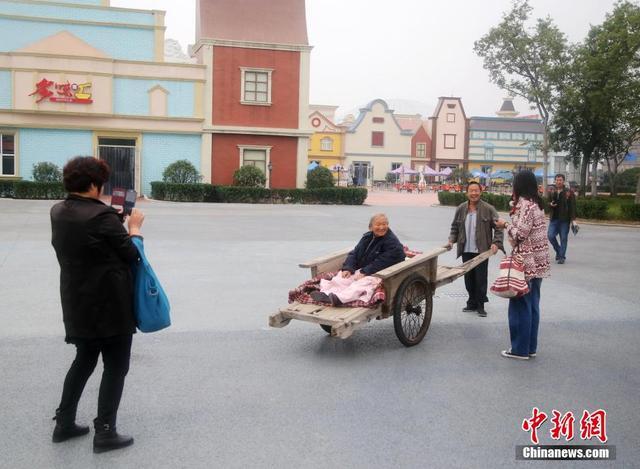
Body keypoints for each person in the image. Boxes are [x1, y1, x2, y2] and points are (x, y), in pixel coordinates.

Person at [50, 156, 144, 453]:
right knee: (116, 366)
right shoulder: (101, 217)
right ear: (93, 184)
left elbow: (89, 236)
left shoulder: (58, 211)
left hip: (77, 302)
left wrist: (112, 219)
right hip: (110, 303)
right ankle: (105, 432)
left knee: (84, 360)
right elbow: (131, 254)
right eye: (100, 183)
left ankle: (64, 423)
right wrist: (135, 227)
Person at [495, 170, 550, 360]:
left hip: (526, 263)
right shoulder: (537, 204)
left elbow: (520, 234)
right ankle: (530, 347)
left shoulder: (526, 206)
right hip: (538, 264)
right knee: (532, 306)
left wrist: (504, 225)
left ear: (520, 186)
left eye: (514, 184)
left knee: (520, 306)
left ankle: (519, 349)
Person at [311, 213, 405, 305]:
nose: (381, 227)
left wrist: (365, 272)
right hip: (364, 269)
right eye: (378, 224)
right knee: (341, 278)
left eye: (384, 224)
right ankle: (326, 294)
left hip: (381, 273)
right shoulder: (367, 237)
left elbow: (383, 262)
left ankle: (338, 299)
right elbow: (355, 253)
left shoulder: (392, 242)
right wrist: (348, 268)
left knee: (359, 285)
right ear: (370, 227)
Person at [446, 181, 504, 317]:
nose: (474, 193)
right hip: (465, 248)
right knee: (469, 278)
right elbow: (455, 227)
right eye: (471, 191)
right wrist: (451, 241)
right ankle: (471, 302)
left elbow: (499, 228)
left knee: (480, 278)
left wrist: (496, 243)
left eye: (476, 190)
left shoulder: (488, 208)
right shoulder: (461, 208)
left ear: (480, 192)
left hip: (482, 250)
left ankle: (480, 305)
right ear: (467, 193)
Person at [547, 173, 576, 264]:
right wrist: (550, 204)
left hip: (565, 220)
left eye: (560, 180)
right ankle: (559, 251)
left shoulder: (569, 192)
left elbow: (572, 206)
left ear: (563, 181)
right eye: (557, 180)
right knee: (550, 236)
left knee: (563, 238)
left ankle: (561, 257)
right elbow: (547, 202)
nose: (559, 181)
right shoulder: (551, 191)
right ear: (555, 181)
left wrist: (573, 219)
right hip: (554, 219)